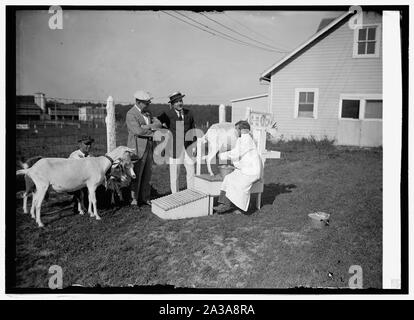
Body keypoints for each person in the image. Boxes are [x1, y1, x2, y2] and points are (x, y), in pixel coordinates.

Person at [214, 120, 263, 215]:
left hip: (251, 172)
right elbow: (237, 153)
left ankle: (241, 207)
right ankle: (224, 204)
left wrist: (221, 156)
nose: (235, 131)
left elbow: (235, 153)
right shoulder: (242, 139)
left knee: (238, 185)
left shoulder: (246, 139)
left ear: (241, 130)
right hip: (244, 170)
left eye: (236, 129)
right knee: (228, 178)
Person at [126, 90, 162, 206]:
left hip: (149, 147)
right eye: (146, 103)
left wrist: (147, 126)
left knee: (147, 174)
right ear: (138, 102)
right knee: (137, 174)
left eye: (148, 103)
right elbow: (137, 131)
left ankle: (145, 197)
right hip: (137, 148)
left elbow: (158, 125)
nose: (148, 105)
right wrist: (151, 130)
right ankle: (134, 199)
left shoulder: (148, 113)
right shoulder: (131, 114)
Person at [158, 91, 196, 193]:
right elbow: (157, 123)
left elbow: (193, 130)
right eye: (176, 102)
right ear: (172, 104)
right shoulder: (167, 114)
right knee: (175, 173)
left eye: (180, 100)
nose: (179, 103)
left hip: (188, 147)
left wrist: (194, 146)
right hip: (174, 148)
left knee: (191, 171)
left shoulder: (189, 113)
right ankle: (175, 195)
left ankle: (191, 193)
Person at [69, 135, 95, 214]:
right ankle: (79, 204)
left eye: (90, 144)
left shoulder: (90, 155)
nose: (89, 146)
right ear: (80, 144)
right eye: (86, 144)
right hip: (75, 179)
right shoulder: (74, 156)